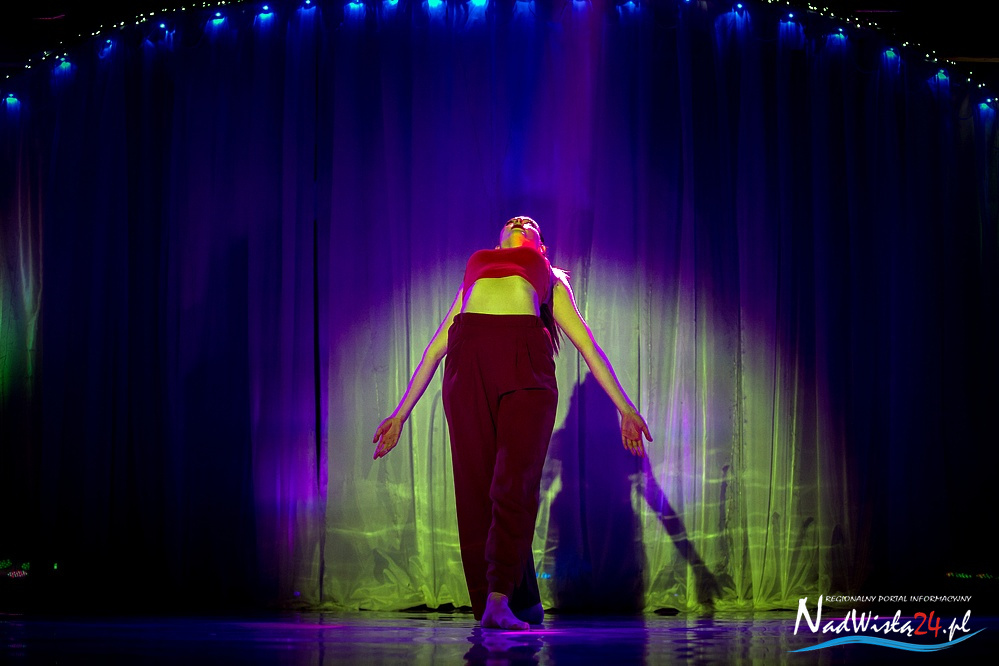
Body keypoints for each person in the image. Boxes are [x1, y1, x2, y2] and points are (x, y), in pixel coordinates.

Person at [372, 215, 652, 630]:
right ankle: (510, 600)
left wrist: (625, 408)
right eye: (513, 221)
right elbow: (435, 348)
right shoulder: (477, 269)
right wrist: (400, 413)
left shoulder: (549, 275)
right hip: (468, 366)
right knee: (475, 492)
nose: (521, 220)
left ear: (542, 248)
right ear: (498, 243)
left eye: (530, 224)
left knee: (513, 486)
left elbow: (588, 346)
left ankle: (501, 598)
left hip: (526, 367)